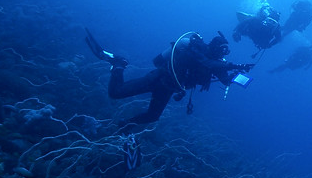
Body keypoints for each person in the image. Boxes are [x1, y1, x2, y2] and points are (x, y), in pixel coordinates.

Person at [85, 29, 253, 125]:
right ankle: (119, 63)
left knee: (153, 116)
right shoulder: (197, 50)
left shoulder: (218, 63)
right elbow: (207, 64)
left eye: (226, 51)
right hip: (159, 78)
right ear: (214, 46)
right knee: (116, 93)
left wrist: (236, 77)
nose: (224, 53)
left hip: (169, 89)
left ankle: (123, 126)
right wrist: (236, 65)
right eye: (222, 49)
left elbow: (223, 79)